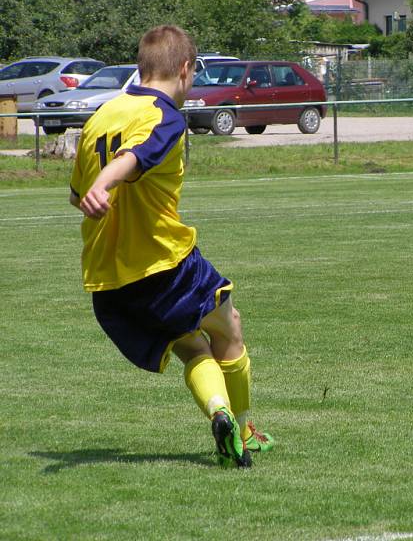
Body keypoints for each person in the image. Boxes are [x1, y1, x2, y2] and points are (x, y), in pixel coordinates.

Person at [70, 24, 274, 467]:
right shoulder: (164, 116)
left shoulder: (98, 118)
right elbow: (135, 157)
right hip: (165, 265)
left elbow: (75, 193)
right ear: (184, 69)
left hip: (108, 281)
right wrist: (107, 182)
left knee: (193, 348)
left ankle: (218, 413)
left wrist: (95, 188)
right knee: (229, 325)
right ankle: (243, 430)